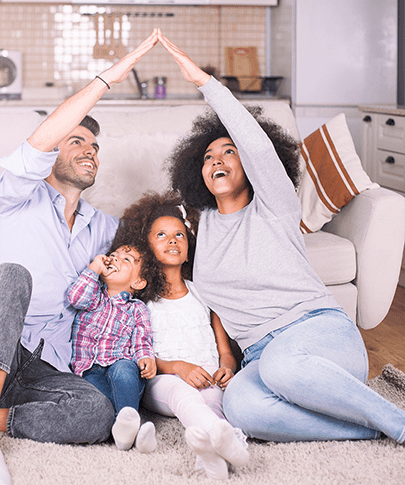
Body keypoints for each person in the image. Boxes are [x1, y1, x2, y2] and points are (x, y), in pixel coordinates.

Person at [0, 30, 161, 485]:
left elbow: (157, 248)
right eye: (76, 142)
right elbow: (38, 142)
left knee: (97, 414)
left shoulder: (104, 229)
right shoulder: (15, 197)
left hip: (50, 368)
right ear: (51, 154)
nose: (88, 150)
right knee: (12, 274)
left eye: (94, 147)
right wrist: (109, 78)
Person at [158, 30, 405, 445]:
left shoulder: (275, 204)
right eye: (207, 157)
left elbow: (255, 143)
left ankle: (397, 422)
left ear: (250, 165)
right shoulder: (203, 223)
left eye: (228, 152)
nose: (216, 159)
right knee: (241, 408)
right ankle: (366, 428)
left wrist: (206, 84)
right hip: (260, 354)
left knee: (282, 369)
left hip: (318, 336)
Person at [112, 191, 249, 480]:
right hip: (163, 382)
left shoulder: (204, 293)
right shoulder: (141, 302)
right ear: (146, 247)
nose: (172, 240)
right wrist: (178, 368)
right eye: (161, 234)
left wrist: (227, 367)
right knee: (181, 393)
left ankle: (209, 456)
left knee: (215, 403)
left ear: (189, 248)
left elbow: (225, 350)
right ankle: (229, 442)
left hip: (209, 377)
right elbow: (141, 356)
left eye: (179, 235)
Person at [67, 244, 157, 453]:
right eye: (113, 255)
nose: (115, 259)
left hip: (120, 362)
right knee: (100, 400)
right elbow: (75, 298)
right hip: (89, 368)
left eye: (126, 260)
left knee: (125, 371)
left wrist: (146, 357)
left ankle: (129, 421)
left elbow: (142, 337)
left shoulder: (136, 308)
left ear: (138, 282)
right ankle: (128, 433)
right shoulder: (94, 295)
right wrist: (95, 267)